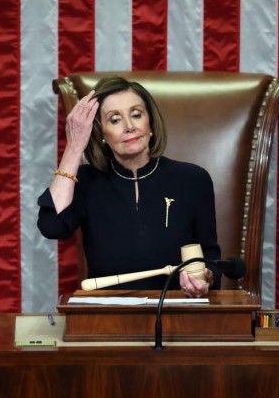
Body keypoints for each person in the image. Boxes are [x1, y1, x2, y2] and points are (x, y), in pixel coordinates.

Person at [37, 76, 221, 297]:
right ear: (101, 133)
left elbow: (211, 258)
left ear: (150, 122)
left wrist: (206, 279)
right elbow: (52, 226)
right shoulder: (86, 181)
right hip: (109, 320)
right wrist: (75, 147)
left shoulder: (193, 179)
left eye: (136, 115)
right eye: (115, 120)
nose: (130, 127)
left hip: (177, 313)